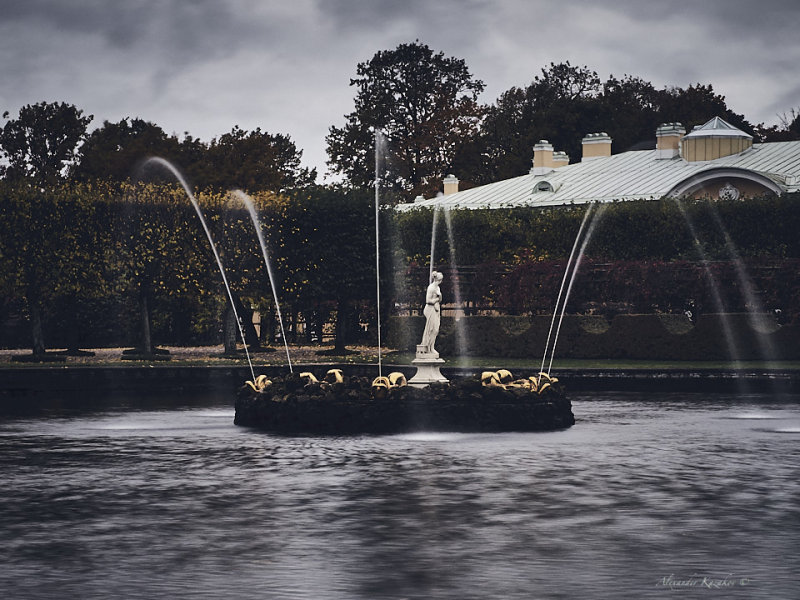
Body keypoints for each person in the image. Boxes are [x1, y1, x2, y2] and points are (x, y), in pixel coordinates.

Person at [419, 271, 444, 357]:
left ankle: (431, 347)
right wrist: (436, 300)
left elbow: (440, 299)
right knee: (431, 329)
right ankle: (428, 348)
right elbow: (428, 301)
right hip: (430, 309)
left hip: (436, 309)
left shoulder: (437, 288)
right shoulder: (431, 288)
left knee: (436, 329)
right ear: (439, 280)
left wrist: (439, 296)